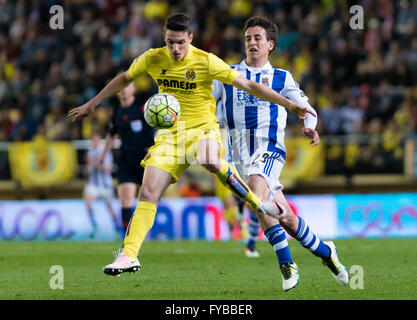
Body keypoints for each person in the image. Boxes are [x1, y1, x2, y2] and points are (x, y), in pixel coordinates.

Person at [68, 13, 315, 277]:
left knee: (210, 160)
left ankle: (256, 202)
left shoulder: (206, 61)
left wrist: (289, 104)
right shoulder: (153, 57)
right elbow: (125, 78)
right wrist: (94, 103)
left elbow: (249, 84)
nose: (175, 49)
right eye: (170, 42)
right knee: (148, 192)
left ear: (191, 39)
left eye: (180, 43)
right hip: (169, 136)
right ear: (165, 38)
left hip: (202, 129)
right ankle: (128, 255)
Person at [212, 16, 349, 291]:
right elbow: (207, 105)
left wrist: (310, 126)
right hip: (239, 154)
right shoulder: (227, 75)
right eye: (248, 38)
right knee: (283, 215)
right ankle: (326, 253)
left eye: (258, 38)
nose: (252, 42)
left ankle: (286, 264)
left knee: (256, 195)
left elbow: (307, 108)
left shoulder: (281, 78)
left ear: (270, 44)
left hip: (270, 148)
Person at [99, 82, 155, 238]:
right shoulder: (116, 112)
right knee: (126, 200)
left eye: (127, 87)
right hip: (126, 159)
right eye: (121, 88)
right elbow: (112, 134)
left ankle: (145, 233)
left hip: (145, 159)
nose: (123, 91)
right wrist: (104, 155)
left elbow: (157, 127)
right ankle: (127, 239)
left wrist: (155, 147)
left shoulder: (143, 108)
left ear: (134, 89)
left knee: (147, 197)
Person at [83, 130, 119, 238]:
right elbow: (88, 170)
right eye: (93, 140)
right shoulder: (89, 152)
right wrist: (87, 169)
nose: (94, 142)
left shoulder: (105, 153)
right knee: (88, 202)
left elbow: (108, 169)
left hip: (105, 185)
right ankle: (94, 226)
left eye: (96, 139)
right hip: (93, 184)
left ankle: (117, 229)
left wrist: (95, 164)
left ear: (99, 140)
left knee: (110, 208)